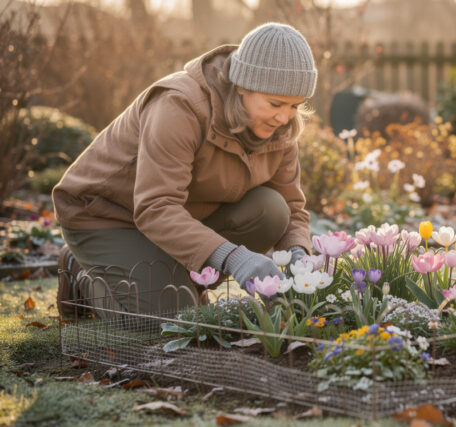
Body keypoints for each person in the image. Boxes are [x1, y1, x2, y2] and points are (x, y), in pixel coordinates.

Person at [52, 23, 316, 318]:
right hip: (107, 215)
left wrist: (298, 252)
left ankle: (173, 281)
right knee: (169, 319)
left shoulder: (280, 128)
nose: (284, 117)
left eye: (295, 106)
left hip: (180, 217)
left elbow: (291, 208)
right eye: (275, 103)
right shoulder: (178, 105)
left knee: (272, 210)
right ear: (242, 85)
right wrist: (234, 257)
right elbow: (155, 206)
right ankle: (82, 275)